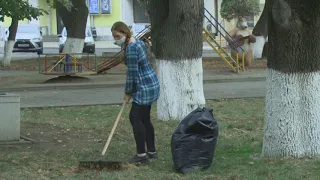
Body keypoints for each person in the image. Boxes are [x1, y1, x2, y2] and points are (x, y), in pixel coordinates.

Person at [111, 21, 160, 164]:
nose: (116, 39)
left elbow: (132, 74)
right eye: (114, 36)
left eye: (117, 36)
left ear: (125, 33)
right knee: (145, 118)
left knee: (135, 118)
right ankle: (151, 151)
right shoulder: (137, 42)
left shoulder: (132, 48)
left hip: (144, 86)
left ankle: (141, 155)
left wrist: (128, 92)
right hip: (151, 83)